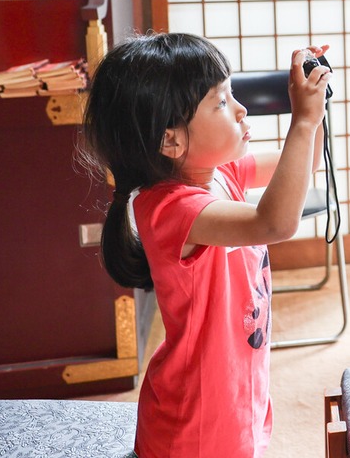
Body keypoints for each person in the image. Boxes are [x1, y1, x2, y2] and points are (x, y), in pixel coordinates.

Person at [81, 33, 331, 458]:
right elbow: (274, 222)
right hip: (194, 419)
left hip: (235, 387)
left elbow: (307, 161)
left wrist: (314, 103)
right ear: (171, 140)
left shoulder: (221, 172)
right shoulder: (169, 208)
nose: (240, 109)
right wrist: (302, 122)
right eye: (221, 102)